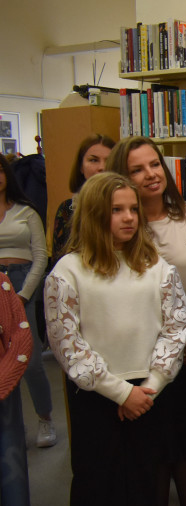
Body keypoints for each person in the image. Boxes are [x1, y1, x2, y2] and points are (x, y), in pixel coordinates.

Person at [45, 172, 186, 506]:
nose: (128, 218)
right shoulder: (68, 272)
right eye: (116, 211)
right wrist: (119, 392)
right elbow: (68, 344)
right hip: (98, 395)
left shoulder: (157, 267)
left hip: (148, 392)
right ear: (94, 215)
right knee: (97, 493)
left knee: (144, 486)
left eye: (132, 209)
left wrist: (149, 385)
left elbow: (176, 328)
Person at [106, 136, 186, 506]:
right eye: (138, 169)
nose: (150, 174)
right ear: (123, 176)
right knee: (152, 444)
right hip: (141, 354)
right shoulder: (123, 223)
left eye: (155, 164)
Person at [0, 154, 56, 448]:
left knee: (31, 360)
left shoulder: (26, 212)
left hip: (23, 283)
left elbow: (40, 256)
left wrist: (22, 295)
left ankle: (45, 418)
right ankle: (10, 427)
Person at [0, 271, 47, 506]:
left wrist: (3, 380)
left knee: (13, 478)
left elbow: (19, 334)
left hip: (4, 391)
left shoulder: (1, 282)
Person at [51, 133, 115, 259]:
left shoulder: (129, 208)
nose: (102, 167)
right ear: (81, 167)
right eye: (93, 160)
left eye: (109, 160)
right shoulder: (67, 209)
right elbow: (58, 260)